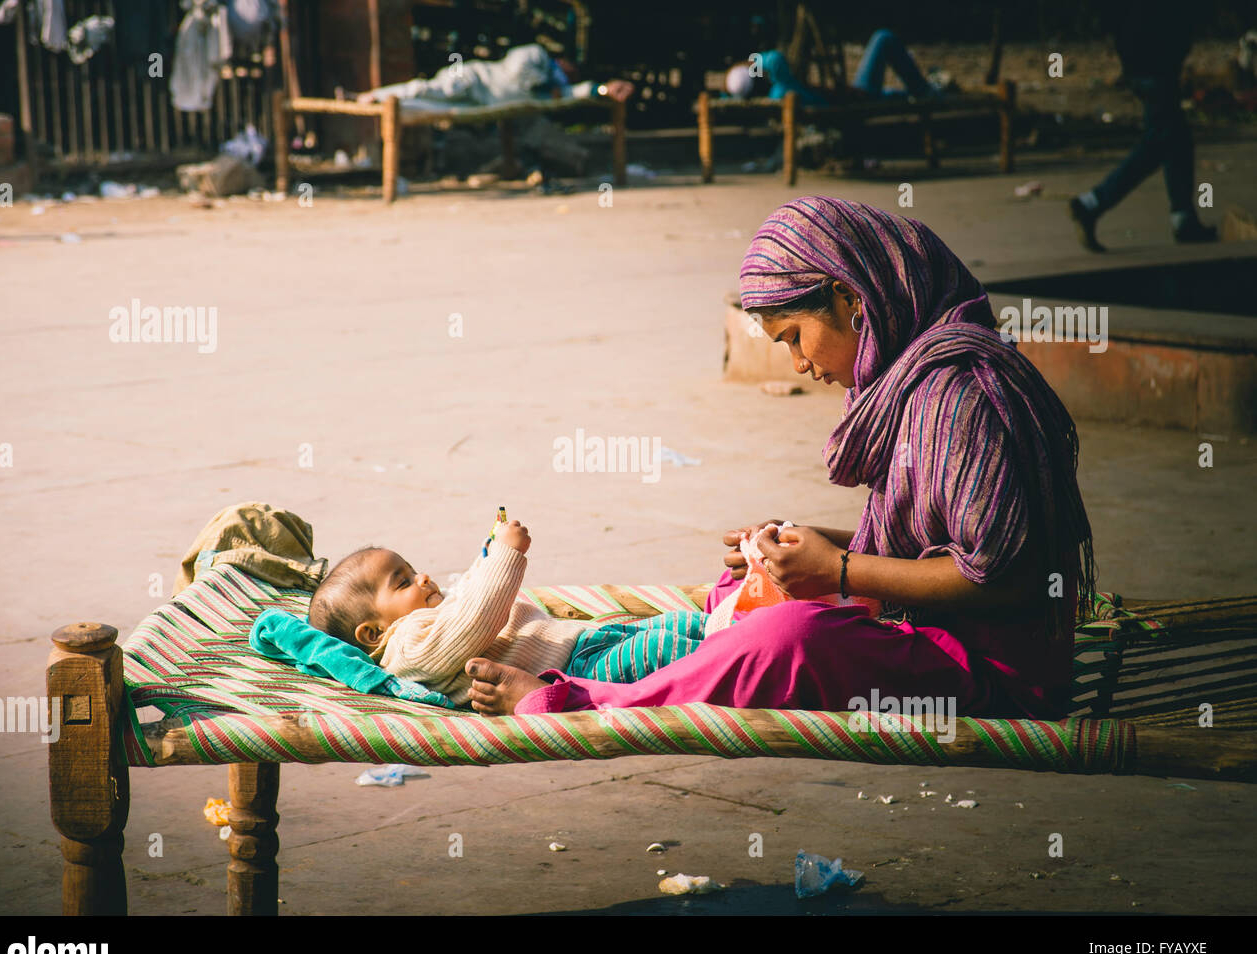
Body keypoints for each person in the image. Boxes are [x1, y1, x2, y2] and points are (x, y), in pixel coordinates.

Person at [465, 197, 1096, 722]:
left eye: (794, 336)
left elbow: (1003, 576)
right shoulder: (920, 382)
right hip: (932, 636)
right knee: (749, 588)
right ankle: (688, 661)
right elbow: (942, 547)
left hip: (991, 676)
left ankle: (590, 702)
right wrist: (814, 547)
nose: (799, 365)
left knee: (787, 642)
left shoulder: (962, 395)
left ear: (852, 300)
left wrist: (843, 570)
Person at [306, 518, 705, 706]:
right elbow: (476, 618)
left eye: (413, 570)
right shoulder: (408, 648)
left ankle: (740, 629)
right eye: (403, 582)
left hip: (586, 642)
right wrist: (506, 555)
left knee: (678, 625)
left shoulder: (428, 620)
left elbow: (467, 593)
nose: (423, 578)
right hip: (579, 671)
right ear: (373, 633)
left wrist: (486, 554)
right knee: (666, 652)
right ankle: (750, 652)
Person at [1068, 0, 1216, 250]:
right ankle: (1092, 202)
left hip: (1145, 58)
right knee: (1161, 140)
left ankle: (1184, 217)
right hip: (1153, 61)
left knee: (1176, 138)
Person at [353, 42, 633, 108]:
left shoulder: (557, 88)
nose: (573, 74)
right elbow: (516, 70)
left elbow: (581, 91)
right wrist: (546, 83)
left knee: (424, 106)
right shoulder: (537, 56)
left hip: (482, 101)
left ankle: (376, 102)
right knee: (428, 90)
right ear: (563, 60)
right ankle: (369, 96)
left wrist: (605, 90)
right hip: (474, 78)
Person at [724, 30, 942, 106]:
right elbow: (775, 59)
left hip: (850, 97)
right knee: (883, 38)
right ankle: (925, 90)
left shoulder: (772, 96)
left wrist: (735, 78)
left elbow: (733, 92)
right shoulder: (782, 87)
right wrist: (748, 63)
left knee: (892, 96)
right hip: (855, 98)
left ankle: (924, 91)